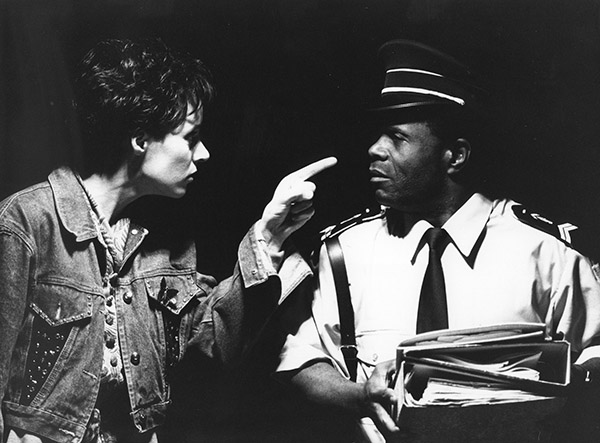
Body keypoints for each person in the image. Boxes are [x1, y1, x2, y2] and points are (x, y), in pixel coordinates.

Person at [0, 38, 336, 443]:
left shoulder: (169, 241)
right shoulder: (26, 222)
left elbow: (213, 348)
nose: (204, 153)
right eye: (191, 138)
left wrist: (269, 234)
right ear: (141, 140)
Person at [275, 39, 600, 442]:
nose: (374, 150)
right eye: (378, 136)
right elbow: (300, 358)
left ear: (455, 156)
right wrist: (360, 396)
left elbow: (594, 355)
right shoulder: (346, 252)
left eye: (396, 137)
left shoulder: (545, 253)